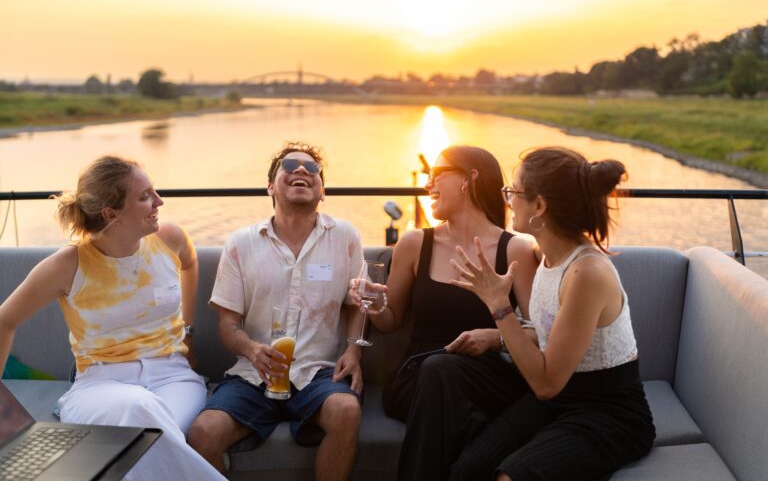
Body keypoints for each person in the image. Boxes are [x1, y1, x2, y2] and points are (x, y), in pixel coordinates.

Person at [0, 155, 224, 481]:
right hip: (100, 384)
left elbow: (189, 264)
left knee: (149, 439)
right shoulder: (69, 264)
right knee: (142, 414)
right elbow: (5, 320)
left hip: (174, 377)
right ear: (110, 212)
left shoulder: (169, 239)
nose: (159, 201)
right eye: (145, 195)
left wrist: (187, 332)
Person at [448, 146, 655, 480]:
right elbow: (552, 336)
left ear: (539, 206)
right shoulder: (543, 255)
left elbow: (546, 383)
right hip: (560, 400)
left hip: (609, 413)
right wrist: (499, 338)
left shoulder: (586, 273)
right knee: (468, 468)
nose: (507, 199)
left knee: (510, 477)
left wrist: (499, 305)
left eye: (513, 191)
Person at [357, 145, 538, 480]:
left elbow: (540, 334)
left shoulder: (515, 250)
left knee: (447, 384)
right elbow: (389, 322)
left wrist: (495, 337)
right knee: (438, 372)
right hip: (417, 377)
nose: (428, 184)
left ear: (469, 178)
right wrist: (374, 304)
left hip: (484, 378)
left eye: (437, 174)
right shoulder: (415, 243)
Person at [187, 142, 365, 480]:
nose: (302, 171)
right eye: (290, 166)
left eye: (312, 169)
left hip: (319, 372)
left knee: (346, 410)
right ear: (271, 186)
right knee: (203, 433)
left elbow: (356, 304)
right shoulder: (241, 243)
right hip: (255, 374)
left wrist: (354, 350)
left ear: (322, 190)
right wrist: (253, 350)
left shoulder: (345, 237)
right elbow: (228, 325)